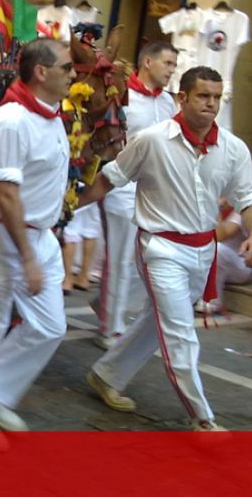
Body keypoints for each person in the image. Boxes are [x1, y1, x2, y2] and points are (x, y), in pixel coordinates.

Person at [80, 66, 252, 431]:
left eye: (216, 97)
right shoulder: (151, 140)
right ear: (183, 98)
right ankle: (203, 419)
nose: (211, 104)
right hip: (159, 248)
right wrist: (62, 212)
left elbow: (248, 198)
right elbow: (109, 179)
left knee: (155, 320)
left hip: (203, 252)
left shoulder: (234, 148)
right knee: (179, 331)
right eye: (203, 96)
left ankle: (106, 374)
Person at [0, 39, 75, 433]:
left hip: (39, 236)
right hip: (1, 238)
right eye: (67, 67)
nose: (74, 75)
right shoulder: (11, 121)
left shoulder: (52, 114)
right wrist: (27, 256)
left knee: (50, 326)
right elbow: (6, 194)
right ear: (41, 72)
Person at [94, 41, 179, 348]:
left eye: (173, 65)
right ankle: (111, 327)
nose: (172, 71)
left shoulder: (169, 103)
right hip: (121, 183)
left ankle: (104, 302)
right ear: (147, 62)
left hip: (154, 188)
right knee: (119, 257)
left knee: (148, 258)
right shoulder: (122, 96)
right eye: (167, 64)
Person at [194, 200, 252, 314]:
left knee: (217, 249)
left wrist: (216, 206)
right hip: (222, 262)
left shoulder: (245, 206)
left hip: (243, 264)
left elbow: (219, 235)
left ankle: (212, 301)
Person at [61, 202, 100, 294]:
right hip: (96, 192)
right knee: (90, 231)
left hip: (76, 192)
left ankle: (67, 279)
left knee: (70, 230)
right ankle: (84, 277)